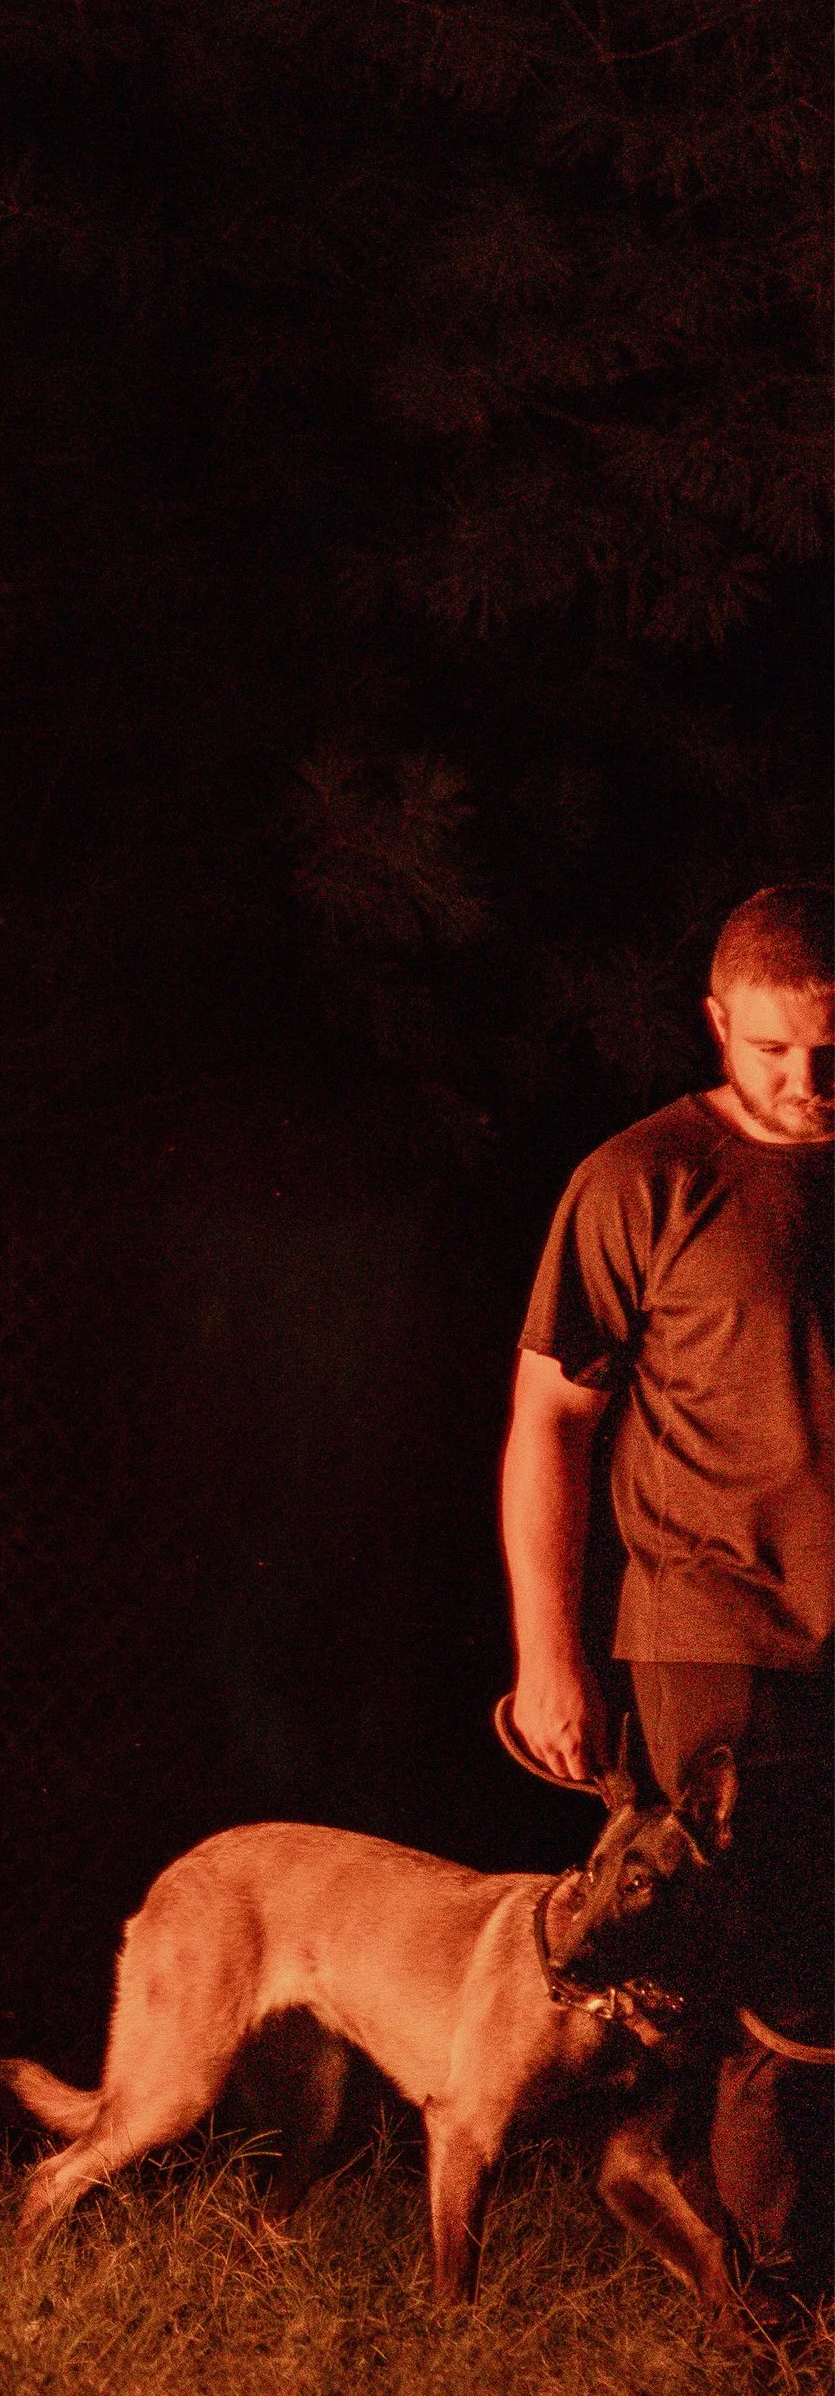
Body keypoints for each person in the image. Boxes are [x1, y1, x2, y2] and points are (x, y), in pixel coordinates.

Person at [500, 882, 832, 2287]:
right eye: (773, 1054)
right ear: (717, 1023)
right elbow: (549, 1425)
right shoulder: (642, 1179)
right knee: (758, 1955)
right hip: (713, 1623)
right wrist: (549, 1654)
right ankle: (771, 2288)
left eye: (832, 1053)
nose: (807, 1084)